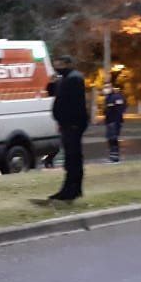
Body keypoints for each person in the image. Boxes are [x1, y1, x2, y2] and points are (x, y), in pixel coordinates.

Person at [47, 56, 89, 202]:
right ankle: (71, 189)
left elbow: (74, 103)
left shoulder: (74, 78)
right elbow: (53, 93)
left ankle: (72, 189)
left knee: (73, 157)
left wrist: (73, 122)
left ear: (68, 64)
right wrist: (52, 83)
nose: (57, 68)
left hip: (72, 124)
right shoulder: (64, 79)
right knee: (71, 157)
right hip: (66, 124)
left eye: (60, 65)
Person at [103, 82, 127, 163]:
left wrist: (117, 120)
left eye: (107, 87)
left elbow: (121, 108)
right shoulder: (108, 98)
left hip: (115, 122)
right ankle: (112, 156)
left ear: (111, 88)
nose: (105, 89)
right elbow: (107, 110)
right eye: (105, 87)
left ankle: (115, 158)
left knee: (113, 139)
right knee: (110, 139)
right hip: (109, 122)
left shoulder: (116, 96)